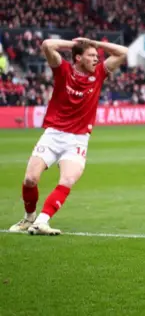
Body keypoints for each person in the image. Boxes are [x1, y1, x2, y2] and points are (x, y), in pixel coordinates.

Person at [8, 37, 128, 236]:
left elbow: (123, 52)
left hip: (78, 139)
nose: (96, 59)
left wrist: (95, 44)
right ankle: (29, 218)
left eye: (96, 56)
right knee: (30, 179)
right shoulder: (63, 70)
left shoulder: (99, 73)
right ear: (78, 58)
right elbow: (47, 45)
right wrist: (75, 45)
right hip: (54, 134)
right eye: (91, 56)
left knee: (67, 179)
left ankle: (42, 222)